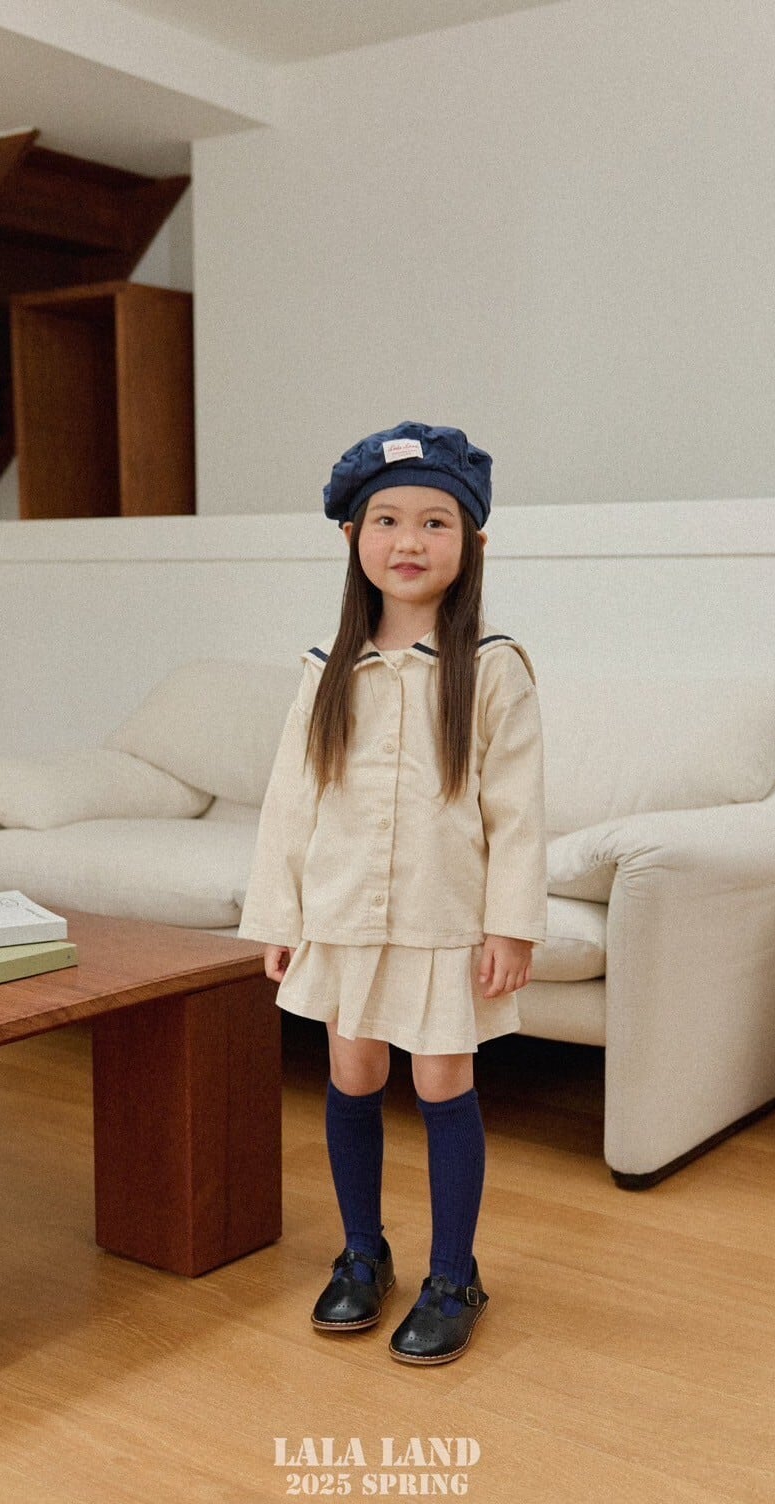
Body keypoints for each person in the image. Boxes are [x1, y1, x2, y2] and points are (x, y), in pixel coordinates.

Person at [239, 420, 546, 1365]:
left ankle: (453, 1275)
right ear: (352, 536)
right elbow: (291, 800)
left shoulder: (491, 666)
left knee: (442, 1081)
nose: (408, 541)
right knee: (352, 1074)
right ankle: (362, 1254)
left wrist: (510, 926)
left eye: (434, 522)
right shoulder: (325, 670)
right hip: (341, 914)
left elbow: (518, 810)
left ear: (472, 541)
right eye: (387, 520)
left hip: (443, 917)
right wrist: (281, 915)